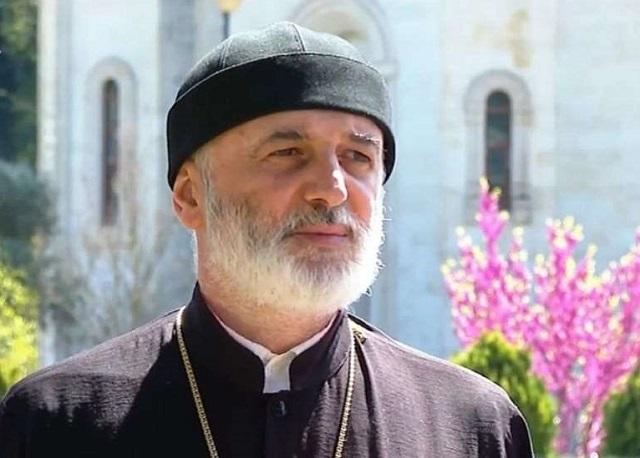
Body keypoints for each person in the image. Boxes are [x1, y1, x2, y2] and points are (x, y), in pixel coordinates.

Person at [0, 22, 533, 457]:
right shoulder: (54, 424)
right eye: (287, 153)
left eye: (358, 157)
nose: (332, 188)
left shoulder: (469, 427)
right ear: (190, 196)